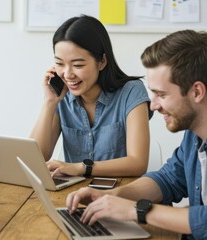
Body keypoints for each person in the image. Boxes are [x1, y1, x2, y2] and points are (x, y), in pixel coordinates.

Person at [66, 30, 207, 239]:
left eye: (162, 94)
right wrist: (111, 197)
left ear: (196, 92)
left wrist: (136, 210)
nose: (154, 105)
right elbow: (168, 179)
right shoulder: (194, 137)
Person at [30, 15, 152, 178]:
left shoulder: (132, 92)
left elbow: (138, 163)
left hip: (119, 193)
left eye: (78, 65)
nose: (67, 74)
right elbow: (34, 159)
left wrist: (81, 168)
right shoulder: (62, 97)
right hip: (73, 195)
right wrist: (49, 102)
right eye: (59, 63)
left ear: (101, 61)